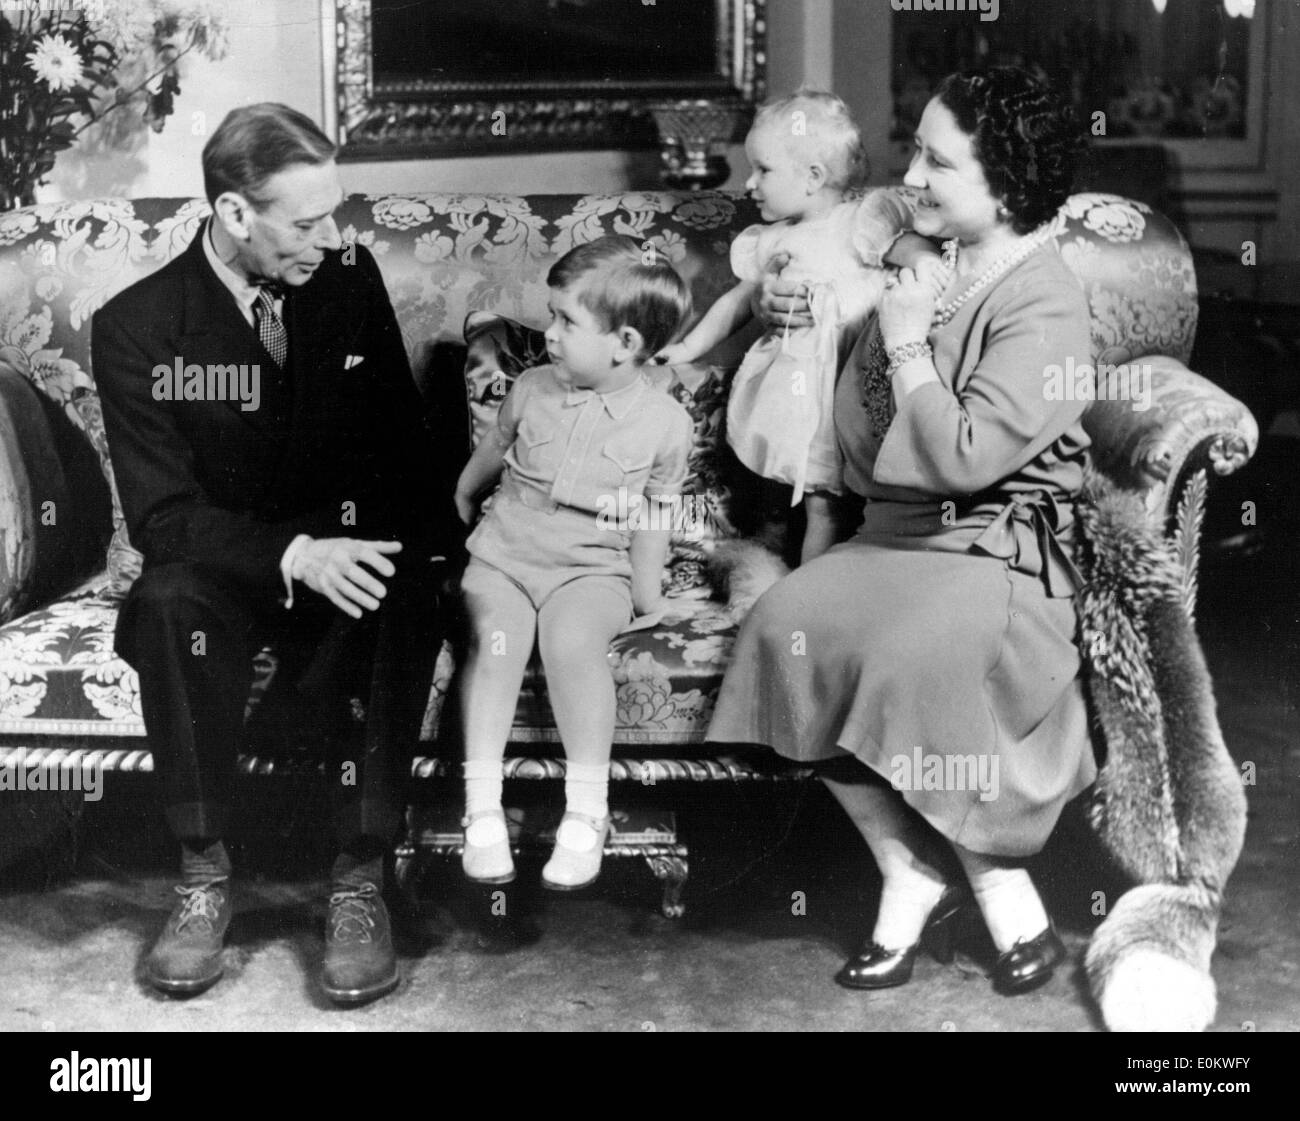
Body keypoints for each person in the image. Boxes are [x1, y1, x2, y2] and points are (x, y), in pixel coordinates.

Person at [707, 68, 1094, 995]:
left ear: (1004, 184)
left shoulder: (1044, 300)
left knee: (906, 651)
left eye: (938, 160)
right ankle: (905, 866)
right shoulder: (921, 254)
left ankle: (998, 885)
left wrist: (912, 341)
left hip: (995, 553)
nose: (909, 174)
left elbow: (964, 459)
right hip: (897, 536)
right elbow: (857, 419)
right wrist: (804, 312)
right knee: (788, 628)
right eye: (913, 145)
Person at [94, 103, 457, 1005]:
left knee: (398, 585)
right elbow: (166, 517)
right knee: (167, 600)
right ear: (233, 214)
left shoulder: (344, 275)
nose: (330, 237)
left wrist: (407, 552)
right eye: (306, 220)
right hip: (224, 571)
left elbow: (398, 446)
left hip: (344, 546)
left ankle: (359, 877)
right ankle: (204, 871)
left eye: (334, 213)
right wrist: (298, 552)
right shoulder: (139, 326)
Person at [453, 235, 694, 891]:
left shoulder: (666, 422)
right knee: (496, 644)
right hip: (506, 552)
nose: (549, 333)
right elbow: (496, 449)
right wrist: (464, 489)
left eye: (566, 322)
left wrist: (648, 595)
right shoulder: (531, 387)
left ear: (625, 343)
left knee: (572, 643)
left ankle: (586, 812)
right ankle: (482, 810)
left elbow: (652, 518)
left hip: (591, 566)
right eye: (551, 316)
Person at [656, 89, 934, 564]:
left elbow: (907, 248)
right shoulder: (772, 239)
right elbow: (737, 301)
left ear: (812, 177)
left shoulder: (862, 220)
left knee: (828, 506)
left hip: (843, 389)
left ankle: (811, 596)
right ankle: (781, 577)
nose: (749, 184)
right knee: (789, 498)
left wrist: (926, 266)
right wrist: (687, 347)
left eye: (763, 170)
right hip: (789, 396)